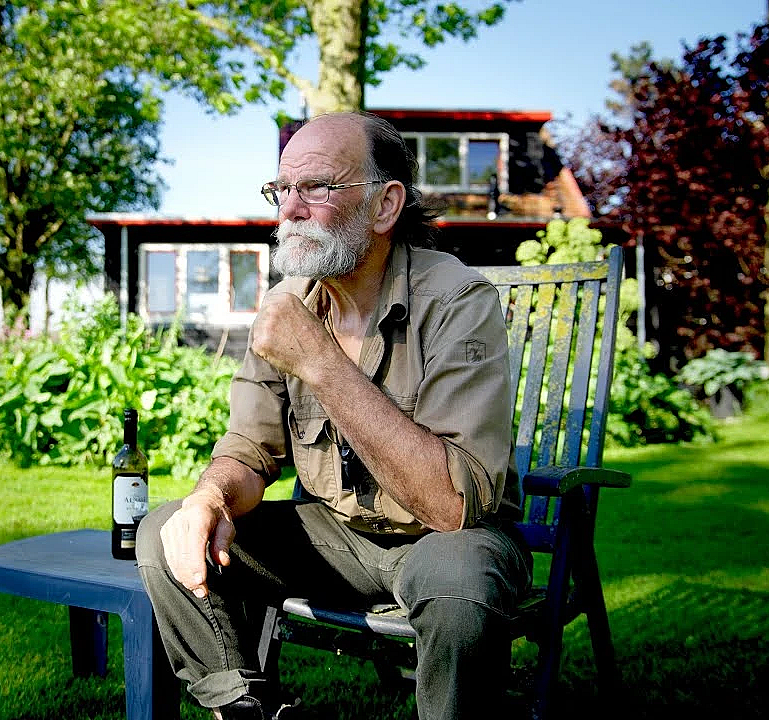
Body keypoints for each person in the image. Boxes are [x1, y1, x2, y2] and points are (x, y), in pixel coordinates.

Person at [136, 112, 531, 720]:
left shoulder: (456, 301)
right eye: (281, 190)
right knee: (168, 527)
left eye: (315, 187)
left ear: (384, 205)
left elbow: (452, 507)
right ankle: (243, 709)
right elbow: (248, 447)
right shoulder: (291, 303)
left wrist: (320, 362)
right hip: (335, 537)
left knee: (458, 575)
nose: (289, 209)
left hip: (446, 542)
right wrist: (209, 500)